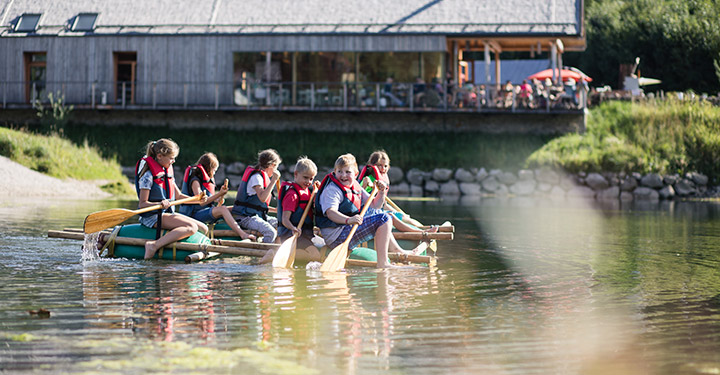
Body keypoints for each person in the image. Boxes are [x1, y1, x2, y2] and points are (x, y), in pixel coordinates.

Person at [315, 154, 426, 268]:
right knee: (383, 218)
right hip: (336, 236)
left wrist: (381, 192)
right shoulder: (332, 189)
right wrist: (349, 220)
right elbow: (331, 212)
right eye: (340, 171)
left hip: (346, 228)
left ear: (356, 174)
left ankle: (395, 249)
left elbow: (375, 205)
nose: (343, 175)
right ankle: (383, 263)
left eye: (348, 172)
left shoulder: (355, 185)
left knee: (382, 214)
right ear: (334, 171)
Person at [135, 138, 208, 259]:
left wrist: (197, 199)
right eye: (171, 158)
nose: (173, 161)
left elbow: (178, 196)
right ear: (159, 156)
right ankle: (153, 245)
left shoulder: (166, 172)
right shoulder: (148, 176)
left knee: (203, 228)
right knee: (191, 227)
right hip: (153, 217)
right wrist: (159, 203)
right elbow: (143, 204)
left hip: (165, 214)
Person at [179, 152, 256, 241]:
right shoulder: (195, 180)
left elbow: (210, 198)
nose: (214, 173)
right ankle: (242, 234)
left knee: (235, 208)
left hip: (204, 212)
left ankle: (252, 227)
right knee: (223, 209)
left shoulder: (207, 179)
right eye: (214, 170)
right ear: (208, 168)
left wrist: (219, 198)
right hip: (194, 215)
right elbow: (201, 201)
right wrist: (219, 194)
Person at [261, 156, 322, 264]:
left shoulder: (308, 191)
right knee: (315, 256)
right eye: (305, 177)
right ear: (296, 174)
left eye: (311, 179)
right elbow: (285, 219)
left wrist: (317, 192)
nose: (308, 182)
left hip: (304, 234)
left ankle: (291, 256)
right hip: (291, 233)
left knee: (319, 251)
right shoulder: (292, 195)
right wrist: (293, 228)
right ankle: (275, 254)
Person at [358, 150, 435, 232]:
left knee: (403, 217)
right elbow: (358, 196)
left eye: (385, 166)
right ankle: (421, 232)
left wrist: (398, 212)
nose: (383, 169)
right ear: (372, 166)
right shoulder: (367, 179)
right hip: (368, 214)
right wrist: (365, 185)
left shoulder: (384, 180)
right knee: (393, 217)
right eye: (379, 165)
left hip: (379, 210)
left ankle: (426, 228)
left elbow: (384, 204)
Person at [231, 149, 282, 244]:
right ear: (272, 165)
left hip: (257, 215)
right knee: (270, 232)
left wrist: (275, 210)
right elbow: (262, 198)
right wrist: (274, 180)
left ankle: (276, 248)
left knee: (281, 224)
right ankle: (265, 252)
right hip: (245, 218)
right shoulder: (256, 178)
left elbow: (257, 206)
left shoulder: (261, 177)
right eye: (276, 167)